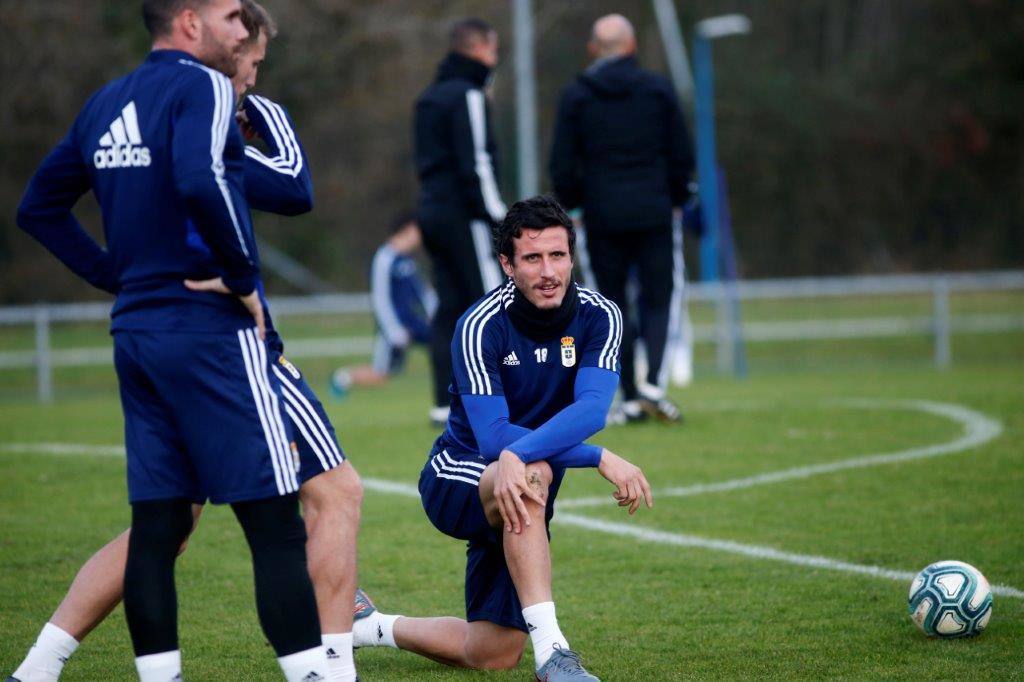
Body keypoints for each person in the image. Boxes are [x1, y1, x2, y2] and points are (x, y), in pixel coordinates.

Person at [10, 2, 362, 680]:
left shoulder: (108, 101)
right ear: (191, 21)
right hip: (212, 335)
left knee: (162, 525)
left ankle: (47, 667)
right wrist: (243, 280)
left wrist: (120, 278)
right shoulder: (202, 89)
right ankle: (324, 670)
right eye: (232, 20)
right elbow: (245, 184)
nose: (244, 58)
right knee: (278, 521)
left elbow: (37, 208)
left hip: (139, 330)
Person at [350, 196, 653, 681]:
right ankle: (554, 653)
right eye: (532, 258)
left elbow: (592, 409)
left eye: (557, 255)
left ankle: (369, 626)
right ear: (507, 264)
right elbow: (492, 439)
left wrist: (536, 452)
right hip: (460, 471)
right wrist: (597, 457)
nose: (548, 270)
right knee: (531, 472)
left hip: (522, 477)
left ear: (572, 258)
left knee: (492, 652)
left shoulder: (601, 317)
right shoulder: (478, 325)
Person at [549, 14, 695, 423]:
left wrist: (573, 207)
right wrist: (678, 196)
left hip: (601, 218)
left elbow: (562, 162)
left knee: (610, 307)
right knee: (661, 297)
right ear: (631, 47)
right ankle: (653, 387)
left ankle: (629, 397)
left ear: (594, 49)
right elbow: (681, 152)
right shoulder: (657, 89)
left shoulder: (577, 95)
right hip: (654, 211)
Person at [414, 17, 508, 427]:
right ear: (481, 49)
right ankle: (504, 395)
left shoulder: (428, 96)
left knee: (450, 308)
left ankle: (442, 403)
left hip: (431, 212)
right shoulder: (468, 94)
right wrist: (503, 219)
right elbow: (477, 164)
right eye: (494, 50)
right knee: (494, 302)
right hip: (465, 216)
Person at [330, 213, 437, 395]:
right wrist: (394, 330)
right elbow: (380, 298)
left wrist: (436, 314)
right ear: (408, 229)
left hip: (414, 322)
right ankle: (343, 377)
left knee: (446, 348)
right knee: (382, 375)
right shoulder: (385, 257)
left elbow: (423, 292)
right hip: (394, 326)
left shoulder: (409, 260)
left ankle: (454, 397)